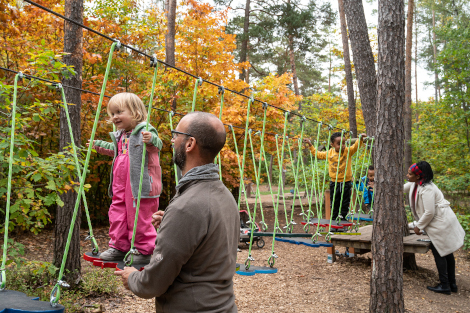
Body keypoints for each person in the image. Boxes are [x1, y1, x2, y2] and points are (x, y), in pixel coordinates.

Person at [114, 112, 240, 312]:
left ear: (190, 144)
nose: (172, 140)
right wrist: (172, 222)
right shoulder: (224, 195)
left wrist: (133, 277)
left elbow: (154, 282)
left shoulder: (187, 207)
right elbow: (208, 239)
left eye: (176, 134)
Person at [90, 92, 163, 263]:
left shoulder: (145, 130)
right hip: (121, 184)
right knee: (117, 212)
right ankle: (119, 247)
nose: (115, 117)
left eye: (119, 112)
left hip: (140, 183)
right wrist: (98, 145)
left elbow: (157, 146)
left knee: (139, 215)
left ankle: (144, 250)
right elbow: (115, 150)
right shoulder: (121, 134)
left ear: (135, 112)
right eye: (113, 113)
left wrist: (151, 139)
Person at [405, 161, 465, 295]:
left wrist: (418, 227)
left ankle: (445, 285)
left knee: (440, 252)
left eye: (410, 174)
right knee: (447, 252)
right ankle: (452, 284)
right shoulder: (415, 183)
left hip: (441, 224)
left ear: (419, 176)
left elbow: (429, 212)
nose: (407, 175)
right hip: (439, 222)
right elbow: (400, 188)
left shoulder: (427, 189)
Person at [304, 132, 366, 220]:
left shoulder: (348, 151)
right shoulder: (329, 153)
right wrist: (310, 145)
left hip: (346, 182)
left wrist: (360, 139)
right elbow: (317, 154)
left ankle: (343, 219)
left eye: (344, 143)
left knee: (345, 202)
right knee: (334, 202)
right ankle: (334, 219)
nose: (342, 146)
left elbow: (355, 146)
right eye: (339, 144)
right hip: (335, 182)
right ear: (332, 144)